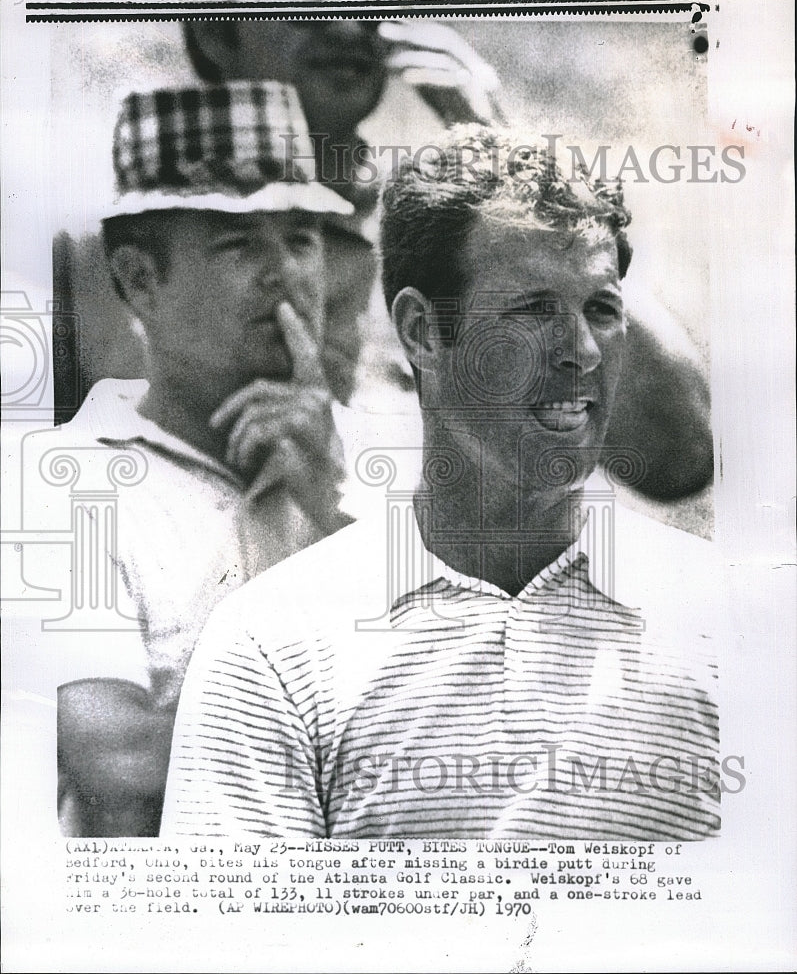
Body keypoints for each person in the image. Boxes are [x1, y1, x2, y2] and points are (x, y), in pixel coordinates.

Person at [161, 127, 721, 841]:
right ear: (422, 331)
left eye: (600, 310)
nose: (581, 351)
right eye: (533, 310)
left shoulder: (730, 620)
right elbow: (239, 946)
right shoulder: (272, 645)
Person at [181, 18, 713, 501]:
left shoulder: (446, 235)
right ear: (216, 33)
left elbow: (680, 456)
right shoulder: (136, 256)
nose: (346, 29)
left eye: (364, 0)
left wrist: (516, 161)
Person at [47, 80, 351, 836]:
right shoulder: (59, 479)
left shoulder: (380, 457)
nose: (286, 273)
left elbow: (485, 706)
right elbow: (120, 762)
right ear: (139, 281)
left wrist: (337, 511)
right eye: (238, 242)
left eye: (303, 238)